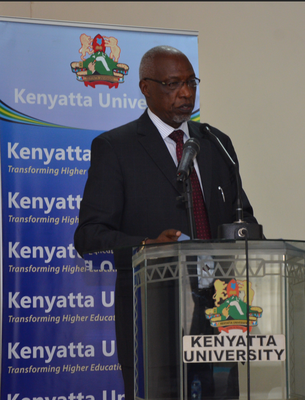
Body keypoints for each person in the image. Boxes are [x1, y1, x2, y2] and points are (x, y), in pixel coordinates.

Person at [74, 45, 259, 399]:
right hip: (153, 317)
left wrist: (247, 235)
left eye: (191, 82)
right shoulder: (116, 147)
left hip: (222, 313)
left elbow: (242, 216)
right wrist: (147, 247)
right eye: (173, 83)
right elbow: (88, 235)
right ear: (146, 87)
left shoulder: (216, 143)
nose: (186, 93)